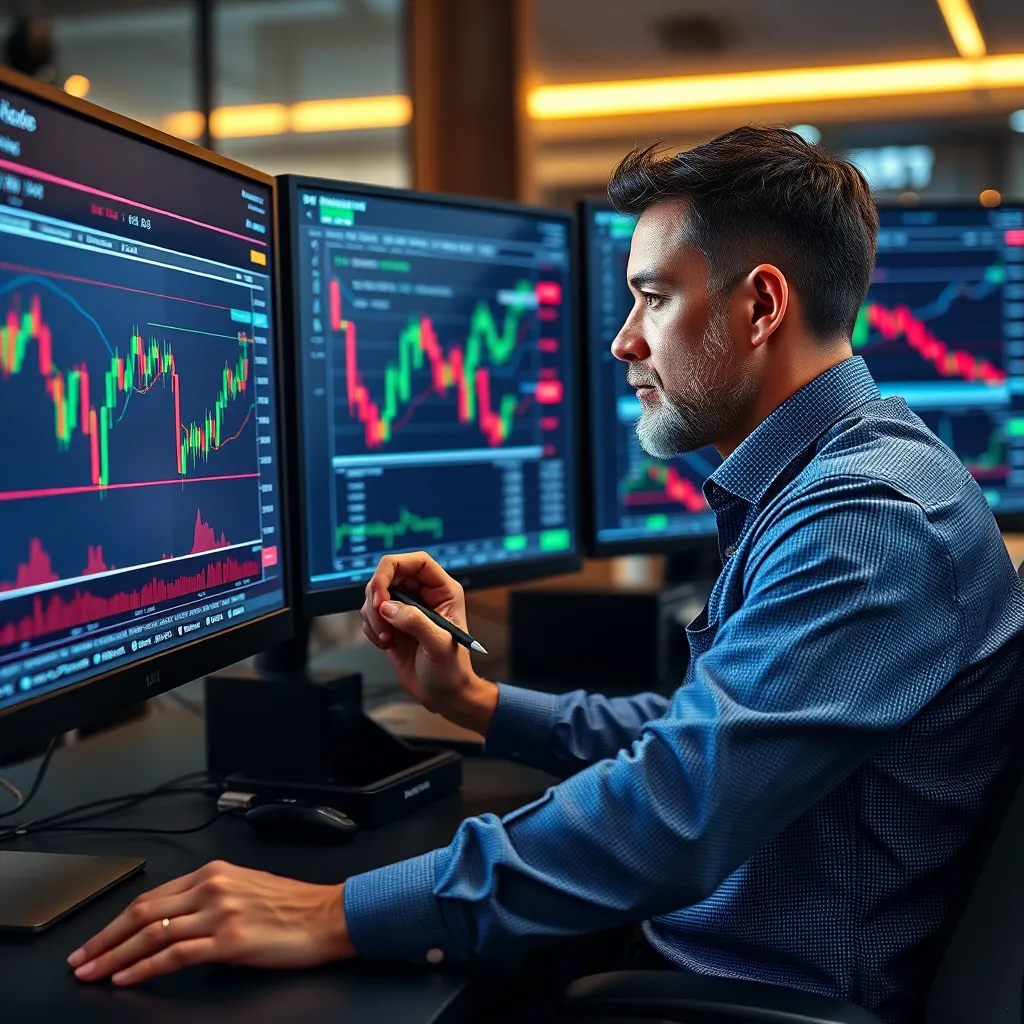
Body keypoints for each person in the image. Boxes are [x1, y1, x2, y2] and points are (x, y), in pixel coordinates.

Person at [67, 127, 1024, 1024]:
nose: (623, 340)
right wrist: (483, 702)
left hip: (744, 987)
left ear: (762, 304)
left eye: (653, 297)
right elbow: (724, 739)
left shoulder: (866, 521)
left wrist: (336, 913)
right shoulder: (848, 475)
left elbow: (676, 810)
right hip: (712, 946)